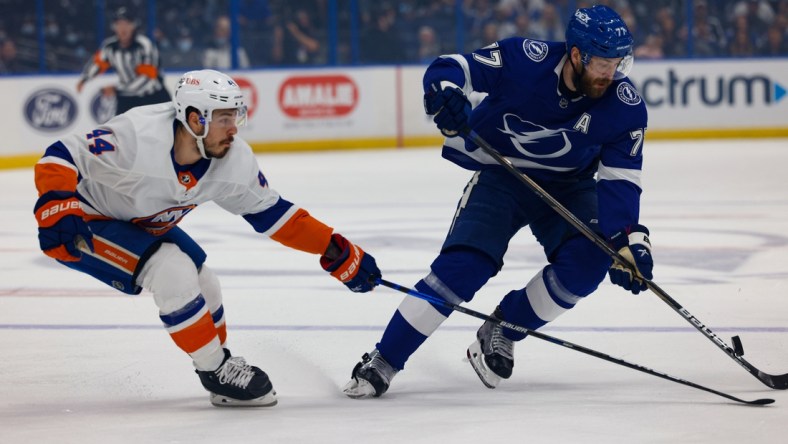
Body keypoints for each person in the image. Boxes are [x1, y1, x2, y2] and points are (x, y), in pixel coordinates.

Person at [343, 5, 651, 398]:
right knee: (464, 267)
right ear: (577, 54)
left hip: (571, 185)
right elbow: (450, 68)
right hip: (501, 175)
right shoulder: (525, 58)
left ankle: (503, 328)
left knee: (589, 263)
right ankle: (383, 359)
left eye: (619, 64)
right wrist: (447, 95)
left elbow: (621, 183)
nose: (612, 75)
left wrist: (626, 240)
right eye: (604, 65)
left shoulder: (625, 107)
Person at [34, 69, 381, 407]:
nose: (234, 129)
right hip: (84, 219)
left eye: (236, 117)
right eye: (224, 118)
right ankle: (214, 370)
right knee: (172, 271)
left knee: (205, 283)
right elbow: (61, 153)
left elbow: (273, 214)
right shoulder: (138, 136)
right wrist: (56, 208)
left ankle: (220, 361)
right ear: (194, 118)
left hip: (136, 220)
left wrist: (335, 249)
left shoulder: (233, 160)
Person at [76, 7, 171, 116]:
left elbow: (148, 77)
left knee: (165, 130)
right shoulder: (109, 47)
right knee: (121, 130)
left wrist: (116, 90)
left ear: (133, 26)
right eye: (119, 24)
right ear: (114, 27)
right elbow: (98, 64)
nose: (123, 28)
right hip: (127, 99)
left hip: (153, 97)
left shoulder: (144, 45)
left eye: (127, 24)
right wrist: (85, 79)